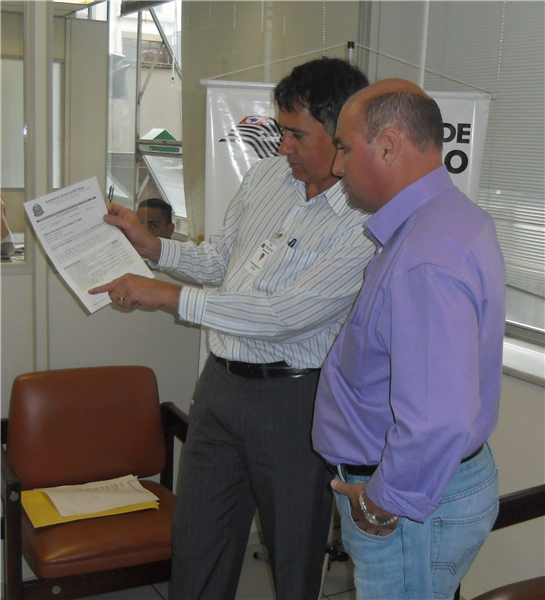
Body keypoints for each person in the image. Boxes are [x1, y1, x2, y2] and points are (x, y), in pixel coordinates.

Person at [89, 58, 373, 600]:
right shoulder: (269, 175)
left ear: (343, 138)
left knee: (295, 556)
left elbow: (285, 316)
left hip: (295, 401)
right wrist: (156, 250)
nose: (282, 145)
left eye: (296, 134)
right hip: (220, 389)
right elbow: (226, 261)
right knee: (198, 545)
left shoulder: (364, 220)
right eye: (280, 129)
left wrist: (167, 295)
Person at [312, 79, 506, 600]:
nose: (336, 166)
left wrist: (380, 505)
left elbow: (437, 415)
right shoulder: (450, 220)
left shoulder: (425, 255)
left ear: (390, 145)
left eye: (345, 149)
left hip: (408, 503)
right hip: (431, 488)